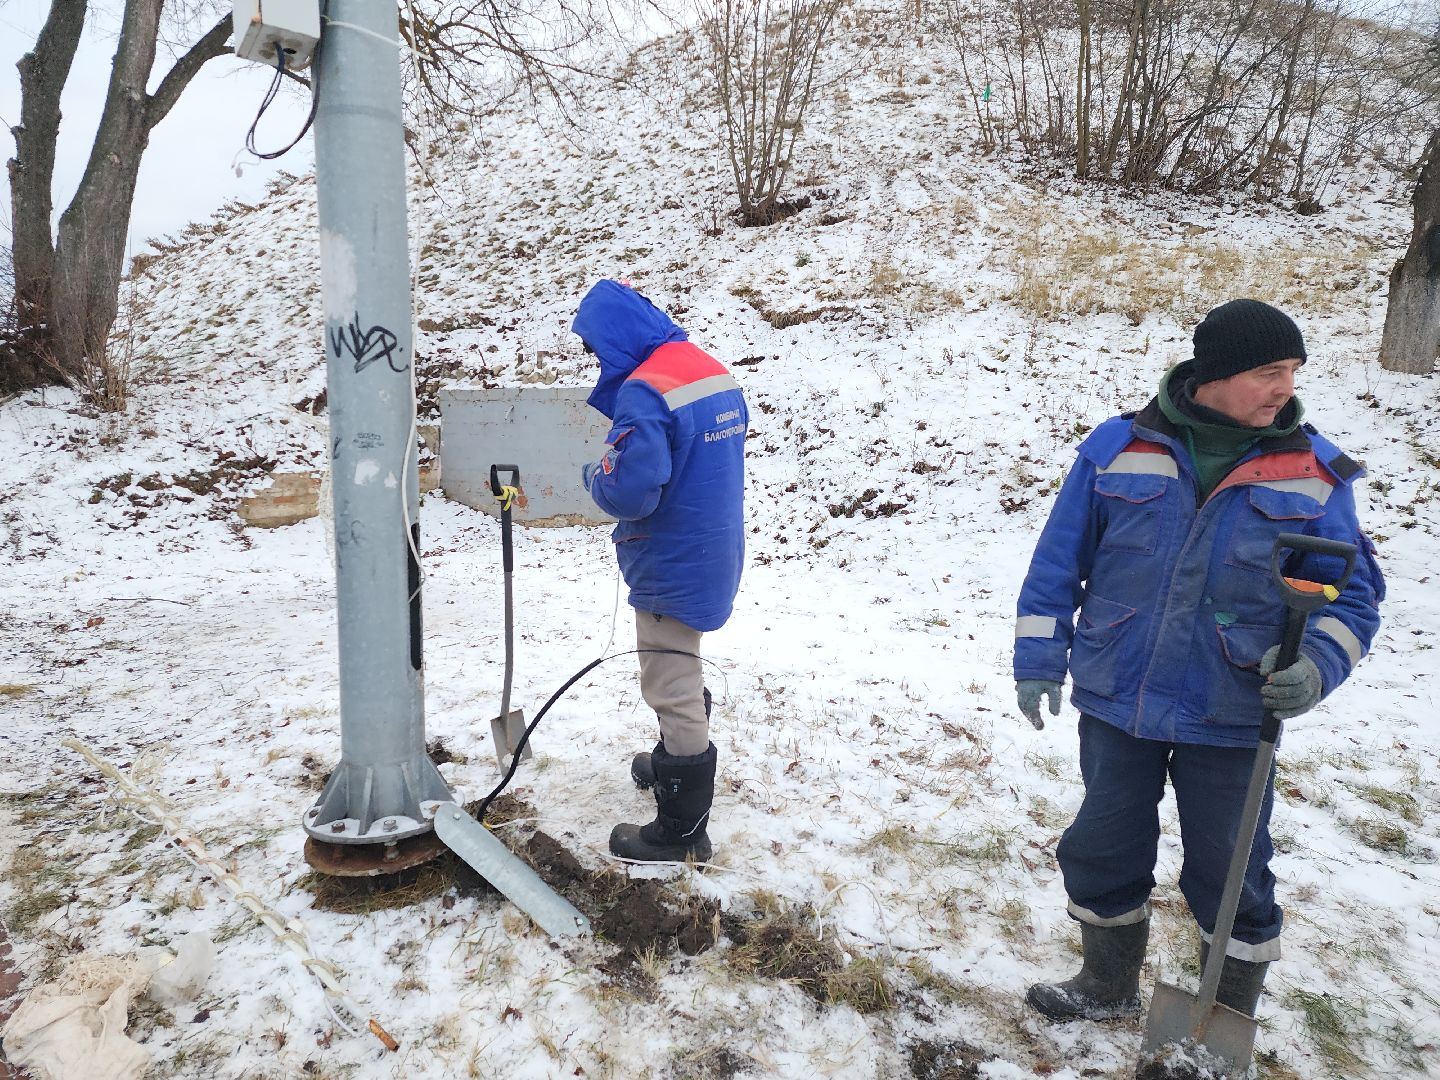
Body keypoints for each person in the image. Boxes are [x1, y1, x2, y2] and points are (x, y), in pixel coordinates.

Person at [1013, 298, 1384, 1022]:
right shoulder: (1118, 447)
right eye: (1268, 371)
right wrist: (1037, 656)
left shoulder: (1313, 472)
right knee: (1103, 843)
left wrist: (1315, 669)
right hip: (1120, 692)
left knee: (1232, 867)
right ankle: (1107, 985)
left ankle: (1225, 1015)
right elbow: (1058, 562)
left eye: (1294, 372)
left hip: (1236, 707)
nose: (1286, 387)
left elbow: (1352, 599)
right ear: (1213, 374)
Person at [574, 279, 748, 863]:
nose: (598, 361)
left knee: (669, 681)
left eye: (595, 348)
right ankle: (671, 756)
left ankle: (681, 831)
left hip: (671, 555)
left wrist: (595, 474)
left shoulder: (645, 391)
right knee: (683, 660)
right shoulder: (706, 369)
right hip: (712, 546)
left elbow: (630, 492)